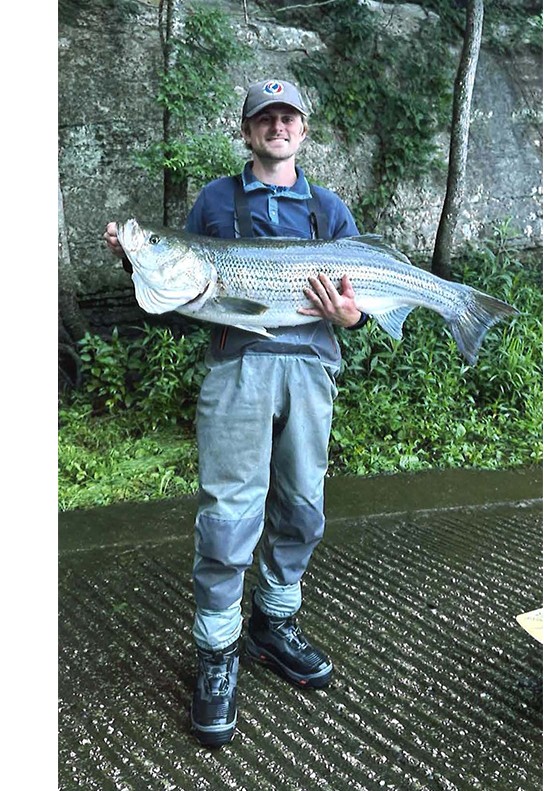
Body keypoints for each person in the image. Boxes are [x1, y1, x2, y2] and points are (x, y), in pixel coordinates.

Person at [104, 78, 369, 748]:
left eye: (288, 117)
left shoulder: (330, 209)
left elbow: (356, 307)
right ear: (248, 131)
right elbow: (182, 290)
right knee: (228, 519)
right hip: (236, 373)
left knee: (302, 507)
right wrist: (139, 255)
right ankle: (216, 655)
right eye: (265, 118)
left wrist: (351, 315)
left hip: (311, 372)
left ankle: (272, 625)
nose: (277, 126)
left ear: (302, 131)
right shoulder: (215, 202)